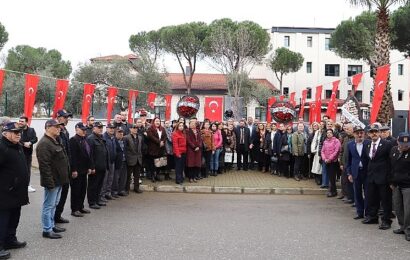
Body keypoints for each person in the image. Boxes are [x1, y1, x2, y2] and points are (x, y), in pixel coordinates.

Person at [36, 119, 70, 239]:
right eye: (56, 127)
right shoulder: (44, 143)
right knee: (48, 205)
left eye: (59, 127)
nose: (59, 128)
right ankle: (47, 229)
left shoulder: (54, 141)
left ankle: (52, 225)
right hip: (53, 181)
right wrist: (49, 183)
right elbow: (44, 166)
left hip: (59, 180)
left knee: (54, 204)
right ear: (48, 127)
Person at [0, 122, 29, 258]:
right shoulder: (2, 147)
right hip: (5, 193)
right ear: (5, 133)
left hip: (18, 192)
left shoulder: (17, 146)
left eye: (20, 132)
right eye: (15, 132)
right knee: (3, 220)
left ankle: (10, 240)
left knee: (14, 218)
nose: (19, 134)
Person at [362, 124, 393, 230]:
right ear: (369, 134)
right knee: (372, 198)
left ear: (379, 133)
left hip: (384, 177)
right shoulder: (367, 145)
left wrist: (390, 177)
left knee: (385, 200)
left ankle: (386, 220)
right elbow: (368, 161)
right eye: (371, 132)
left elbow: (391, 162)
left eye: (376, 131)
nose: (374, 133)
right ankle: (372, 217)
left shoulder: (387, 144)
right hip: (371, 177)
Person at [68, 122, 93, 217]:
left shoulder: (85, 139)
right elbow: (72, 157)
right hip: (77, 170)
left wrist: (90, 167)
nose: (84, 131)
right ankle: (74, 209)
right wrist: (73, 170)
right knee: (76, 190)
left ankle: (80, 207)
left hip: (84, 169)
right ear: (76, 129)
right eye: (82, 129)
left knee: (83, 190)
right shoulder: (73, 140)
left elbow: (89, 154)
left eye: (85, 130)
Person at [347, 126, 370, 220]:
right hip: (356, 172)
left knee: (368, 193)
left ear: (364, 134)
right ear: (354, 134)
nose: (360, 135)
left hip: (367, 172)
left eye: (361, 133)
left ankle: (368, 213)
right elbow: (349, 160)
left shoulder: (368, 143)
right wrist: (349, 173)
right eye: (357, 133)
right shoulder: (350, 144)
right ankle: (359, 212)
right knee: (357, 193)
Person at [390, 132, 410, 241]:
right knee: (398, 207)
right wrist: (391, 182)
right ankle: (402, 226)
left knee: (408, 209)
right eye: (402, 144)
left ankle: (409, 229)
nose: (405, 146)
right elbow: (391, 167)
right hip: (396, 184)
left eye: (407, 144)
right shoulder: (393, 150)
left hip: (408, 186)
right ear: (398, 141)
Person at [54, 109, 72, 225]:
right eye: (65, 117)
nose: (67, 119)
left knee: (64, 192)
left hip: (66, 167)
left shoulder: (65, 131)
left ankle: (58, 215)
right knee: (55, 196)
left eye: (67, 117)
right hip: (58, 168)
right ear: (58, 117)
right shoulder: (55, 130)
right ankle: (52, 219)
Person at [86, 122, 109, 209]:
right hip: (95, 167)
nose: (100, 129)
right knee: (93, 185)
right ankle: (92, 202)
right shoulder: (91, 139)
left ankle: (97, 200)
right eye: (98, 127)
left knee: (99, 184)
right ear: (93, 128)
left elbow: (105, 152)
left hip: (102, 166)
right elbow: (89, 154)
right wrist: (91, 167)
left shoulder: (101, 138)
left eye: (101, 127)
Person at [17, 116, 38, 193]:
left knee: (27, 170)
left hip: (28, 154)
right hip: (19, 153)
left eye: (22, 121)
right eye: (20, 121)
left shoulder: (31, 130)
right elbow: (16, 139)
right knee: (19, 170)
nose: (20, 122)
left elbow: (35, 138)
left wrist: (30, 142)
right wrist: (23, 144)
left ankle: (27, 185)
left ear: (26, 122)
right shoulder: (17, 130)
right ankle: (19, 185)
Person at [124, 123, 145, 193]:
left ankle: (136, 188)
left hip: (138, 159)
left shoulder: (140, 137)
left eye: (136, 128)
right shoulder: (126, 137)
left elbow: (141, 148)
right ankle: (126, 189)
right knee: (128, 175)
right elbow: (125, 149)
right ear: (130, 129)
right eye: (133, 128)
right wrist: (127, 158)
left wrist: (140, 157)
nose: (135, 129)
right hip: (130, 159)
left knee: (137, 175)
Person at [321, 129, 341, 197]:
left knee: (332, 177)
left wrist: (330, 159)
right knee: (330, 177)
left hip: (333, 162)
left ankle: (333, 191)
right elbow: (322, 151)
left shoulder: (336, 141)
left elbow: (337, 151)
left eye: (330, 132)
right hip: (326, 161)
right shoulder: (325, 141)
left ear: (333, 134)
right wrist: (325, 159)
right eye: (327, 133)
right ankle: (333, 191)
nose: (329, 134)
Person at [146, 118, 167, 183]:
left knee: (159, 163)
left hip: (160, 149)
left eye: (159, 121)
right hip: (153, 149)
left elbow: (165, 136)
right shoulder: (150, 129)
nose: (158, 122)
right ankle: (153, 176)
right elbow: (151, 137)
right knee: (153, 164)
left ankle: (157, 175)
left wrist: (162, 142)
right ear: (154, 122)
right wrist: (159, 142)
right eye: (156, 121)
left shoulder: (162, 129)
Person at [101, 123, 118, 201]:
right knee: (105, 179)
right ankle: (102, 195)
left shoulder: (113, 137)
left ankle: (108, 193)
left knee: (110, 178)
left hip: (112, 161)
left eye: (113, 128)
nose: (112, 129)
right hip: (105, 162)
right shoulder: (103, 137)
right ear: (107, 128)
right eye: (110, 128)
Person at [338, 123, 355, 203]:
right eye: (346, 129)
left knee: (351, 182)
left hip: (352, 164)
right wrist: (341, 163)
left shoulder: (355, 139)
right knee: (344, 181)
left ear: (352, 129)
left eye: (348, 129)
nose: (347, 130)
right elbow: (341, 151)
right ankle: (346, 195)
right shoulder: (345, 139)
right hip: (345, 164)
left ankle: (351, 197)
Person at [186, 119, 203, 183]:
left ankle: (194, 177)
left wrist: (198, 146)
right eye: (192, 123)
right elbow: (188, 140)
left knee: (196, 164)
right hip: (191, 150)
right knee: (191, 165)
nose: (193, 125)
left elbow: (200, 140)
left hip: (198, 150)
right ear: (189, 125)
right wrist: (194, 147)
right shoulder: (187, 131)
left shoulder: (198, 131)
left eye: (194, 123)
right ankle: (190, 177)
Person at [113, 127, 127, 197]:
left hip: (124, 161)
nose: (121, 133)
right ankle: (114, 191)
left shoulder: (124, 140)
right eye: (119, 132)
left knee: (123, 177)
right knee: (115, 177)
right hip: (117, 162)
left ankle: (121, 190)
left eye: (121, 132)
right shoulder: (113, 141)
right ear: (115, 133)